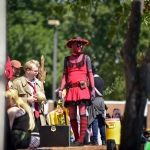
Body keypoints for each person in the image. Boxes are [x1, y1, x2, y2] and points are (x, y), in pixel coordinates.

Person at [58, 37, 95, 146]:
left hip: (82, 89)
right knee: (72, 114)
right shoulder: (67, 59)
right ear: (72, 45)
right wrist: (60, 89)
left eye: (81, 44)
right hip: (71, 89)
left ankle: (81, 139)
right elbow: (64, 75)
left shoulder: (86, 58)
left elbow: (90, 74)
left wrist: (92, 89)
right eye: (78, 44)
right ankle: (77, 139)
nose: (80, 46)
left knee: (82, 112)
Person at [11, 60, 47, 148]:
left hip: (39, 118)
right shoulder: (17, 83)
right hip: (25, 118)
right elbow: (11, 100)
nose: (37, 72)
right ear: (27, 70)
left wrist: (42, 100)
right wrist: (27, 100)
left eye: (37, 70)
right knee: (26, 144)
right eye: (35, 71)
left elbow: (45, 99)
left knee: (40, 144)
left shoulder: (39, 83)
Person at [87, 65, 106, 145]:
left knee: (94, 121)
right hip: (101, 101)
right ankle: (104, 139)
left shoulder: (92, 80)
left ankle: (95, 140)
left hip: (94, 101)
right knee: (101, 122)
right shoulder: (101, 80)